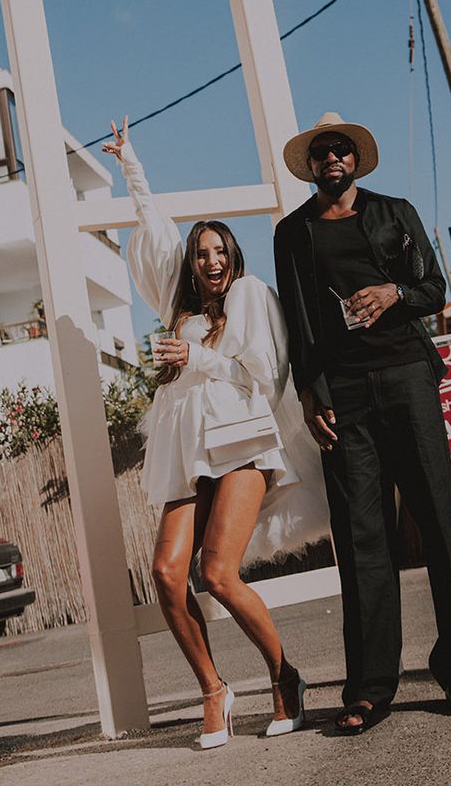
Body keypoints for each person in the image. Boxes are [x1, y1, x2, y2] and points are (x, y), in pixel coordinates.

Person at [102, 117, 330, 749]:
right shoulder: (178, 307)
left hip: (241, 445)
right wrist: (132, 167)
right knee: (167, 575)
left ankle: (285, 677)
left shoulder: (253, 295)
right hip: (185, 450)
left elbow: (264, 374)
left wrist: (193, 358)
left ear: (232, 257)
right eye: (200, 253)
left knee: (218, 574)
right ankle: (214, 690)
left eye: (218, 251)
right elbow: (153, 240)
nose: (208, 260)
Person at [272, 112, 451, 736]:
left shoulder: (395, 212)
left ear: (356, 160)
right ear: (311, 166)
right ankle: (370, 686)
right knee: (362, 539)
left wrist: (393, 293)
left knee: (437, 522)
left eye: (341, 149)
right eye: (321, 152)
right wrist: (311, 396)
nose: (332, 158)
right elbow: (297, 320)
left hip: (406, 379)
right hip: (343, 396)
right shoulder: (293, 232)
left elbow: (432, 286)